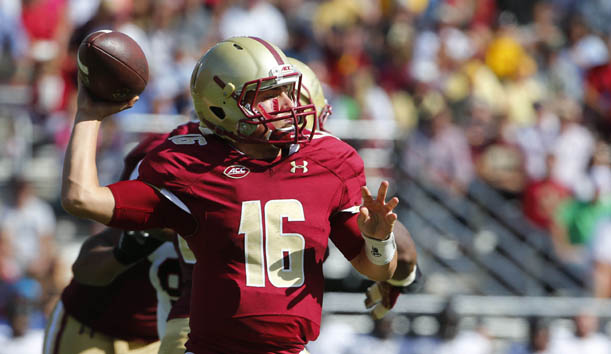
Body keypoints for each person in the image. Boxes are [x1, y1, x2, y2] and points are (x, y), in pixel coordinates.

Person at [61, 36, 399, 354]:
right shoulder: (191, 167)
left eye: (286, 90)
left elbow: (378, 269)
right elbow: (81, 197)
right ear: (223, 108)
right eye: (268, 94)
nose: (287, 103)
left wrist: (380, 242)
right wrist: (90, 115)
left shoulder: (330, 160)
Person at [44, 132, 185, 354]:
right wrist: (124, 253)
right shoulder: (164, 151)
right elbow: (86, 267)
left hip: (162, 338)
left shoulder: (248, 176)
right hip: (90, 327)